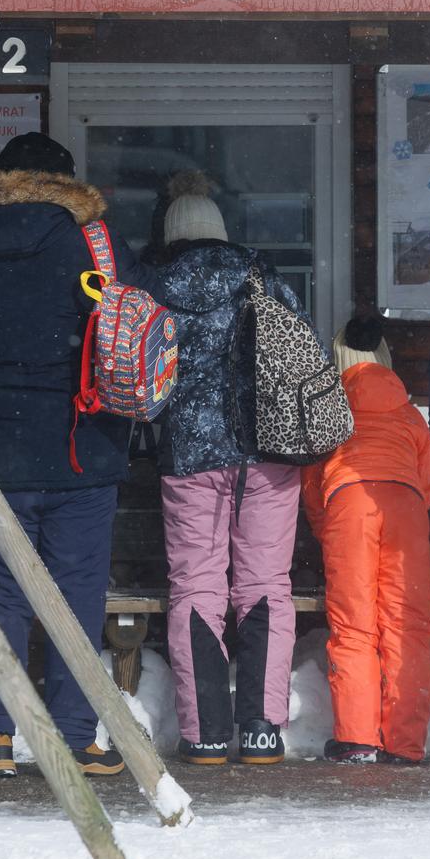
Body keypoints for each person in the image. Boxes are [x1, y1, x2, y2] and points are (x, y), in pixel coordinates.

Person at [0, 132, 148, 779]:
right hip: (87, 444)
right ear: (67, 182)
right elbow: (135, 319)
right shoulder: (96, 243)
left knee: (3, 592)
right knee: (76, 593)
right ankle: (78, 738)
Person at [146, 170, 310, 767]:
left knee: (196, 588)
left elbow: (144, 384)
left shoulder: (156, 291)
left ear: (171, 234)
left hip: (191, 457)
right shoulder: (268, 283)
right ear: (220, 231)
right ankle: (262, 728)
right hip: (269, 455)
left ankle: (205, 733)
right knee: (267, 587)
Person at [302, 316, 430, 764]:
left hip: (349, 505)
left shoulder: (331, 407)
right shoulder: (409, 412)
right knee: (407, 623)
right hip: (405, 508)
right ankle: (405, 743)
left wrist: (329, 531)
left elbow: (313, 484)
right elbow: (427, 480)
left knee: (354, 625)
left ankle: (358, 739)